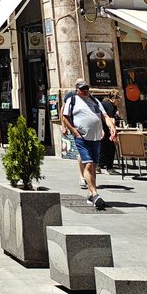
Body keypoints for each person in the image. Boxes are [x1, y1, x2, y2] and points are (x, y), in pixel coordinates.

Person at [61, 79, 116, 210]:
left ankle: (91, 193)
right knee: (89, 164)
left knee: (93, 166)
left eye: (86, 88)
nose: (85, 90)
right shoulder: (72, 100)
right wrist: (74, 131)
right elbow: (65, 116)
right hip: (82, 137)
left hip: (96, 137)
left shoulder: (95, 101)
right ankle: (96, 194)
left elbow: (105, 116)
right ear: (77, 89)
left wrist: (111, 127)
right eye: (82, 88)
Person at [99, 90, 120, 174]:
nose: (119, 102)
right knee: (111, 147)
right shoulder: (110, 105)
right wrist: (113, 129)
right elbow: (111, 119)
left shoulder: (103, 103)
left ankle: (98, 165)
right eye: (118, 99)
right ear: (114, 98)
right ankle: (109, 168)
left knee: (102, 146)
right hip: (105, 128)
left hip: (99, 128)